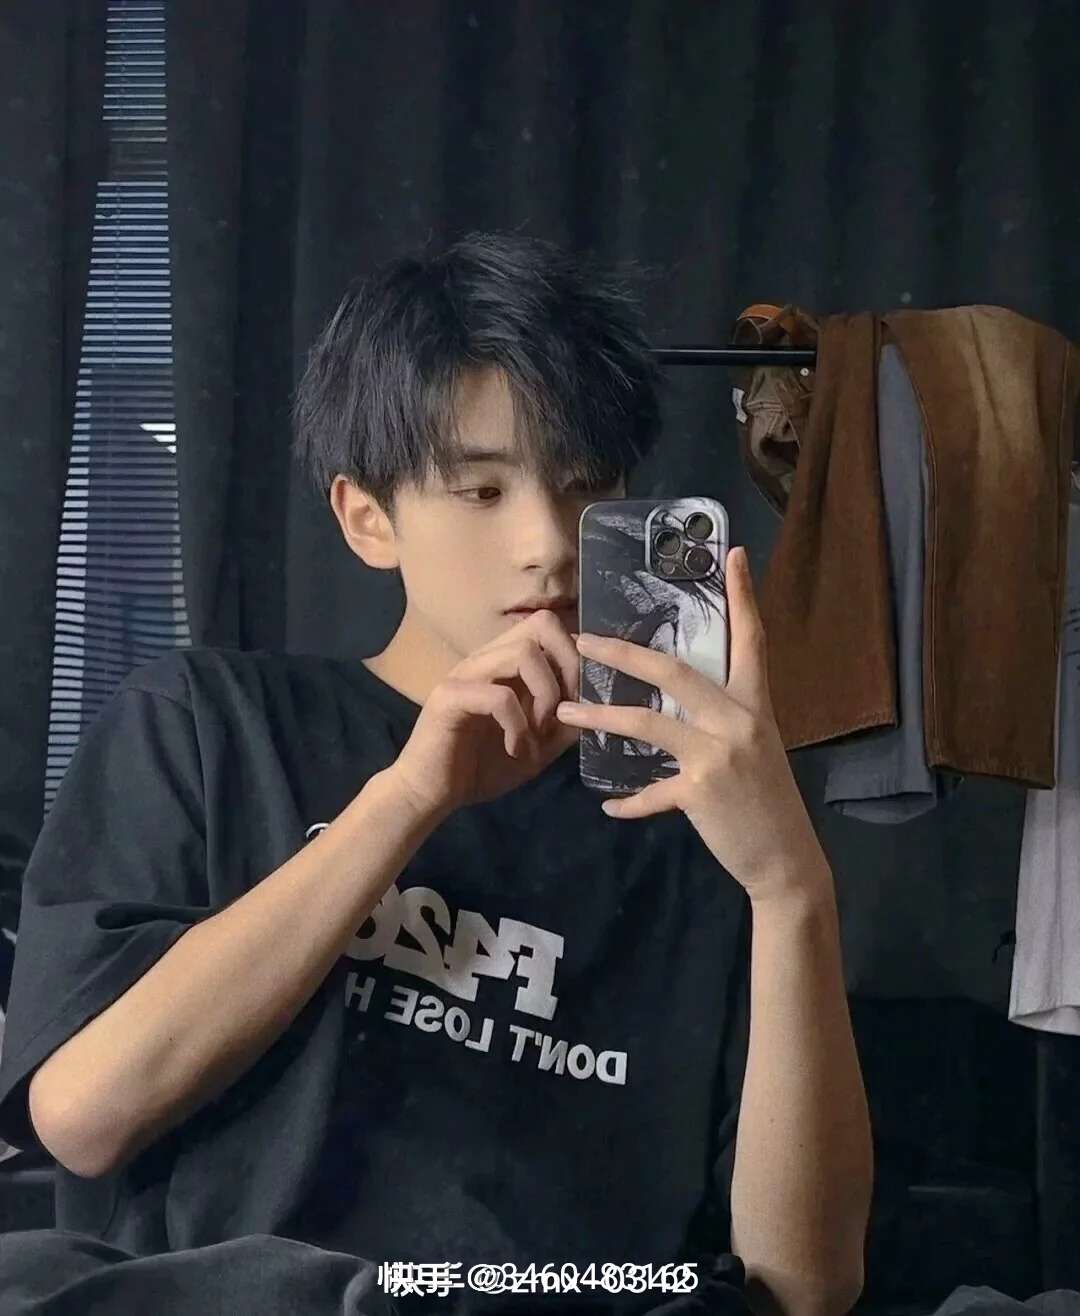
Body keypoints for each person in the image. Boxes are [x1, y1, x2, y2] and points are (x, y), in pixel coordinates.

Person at [0, 232, 872, 1316]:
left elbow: (808, 1284)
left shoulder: (699, 809)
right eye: (481, 490)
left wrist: (791, 888)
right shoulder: (211, 725)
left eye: (585, 484)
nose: (548, 542)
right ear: (368, 519)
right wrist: (409, 799)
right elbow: (84, 1114)